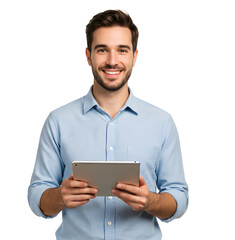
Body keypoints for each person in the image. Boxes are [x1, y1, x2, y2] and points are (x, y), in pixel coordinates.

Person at [28, 9, 188, 240]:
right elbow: (37, 196)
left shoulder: (161, 122)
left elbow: (179, 197)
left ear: (134, 56)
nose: (112, 61)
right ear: (88, 55)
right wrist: (60, 196)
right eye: (102, 50)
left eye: (122, 50)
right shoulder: (58, 121)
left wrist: (151, 201)